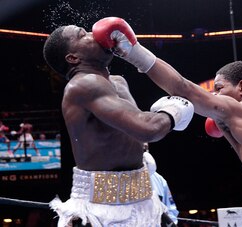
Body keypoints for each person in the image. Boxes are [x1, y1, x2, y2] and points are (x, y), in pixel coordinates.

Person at [92, 17, 242, 226]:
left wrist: (134, 52)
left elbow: (183, 88)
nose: (215, 96)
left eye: (219, 88)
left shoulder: (237, 111)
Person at [42, 22, 194, 227]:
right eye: (83, 34)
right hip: (100, 208)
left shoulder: (118, 83)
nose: (94, 34)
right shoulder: (82, 85)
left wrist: (134, 52)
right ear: (73, 58)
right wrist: (174, 111)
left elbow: (135, 136)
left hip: (144, 199)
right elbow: (148, 129)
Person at [143, 142, 179, 226]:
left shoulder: (159, 180)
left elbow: (171, 212)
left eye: (145, 149)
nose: (144, 153)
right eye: (141, 149)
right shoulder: (117, 176)